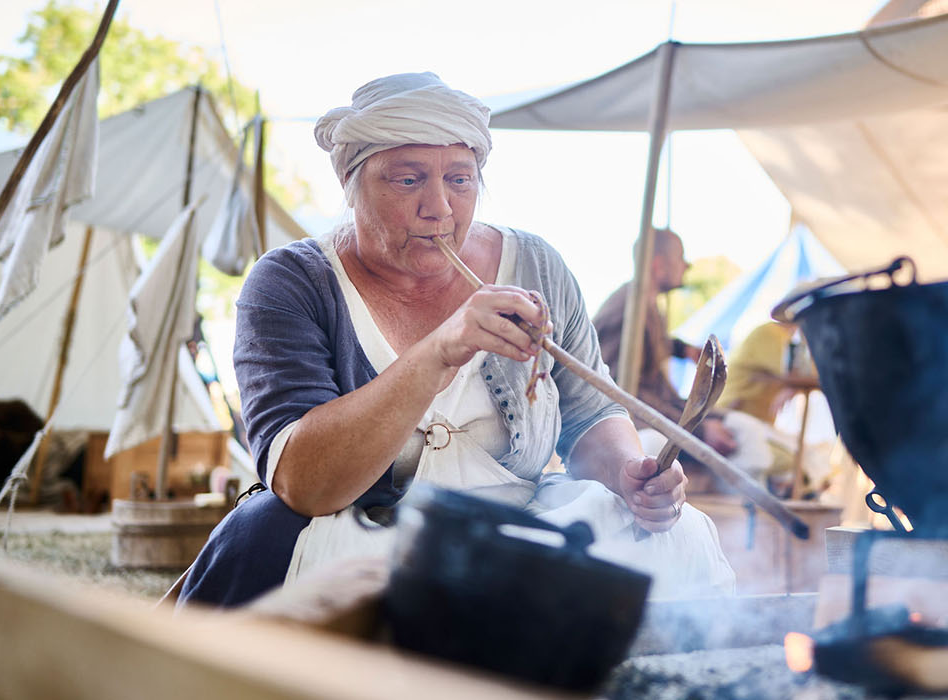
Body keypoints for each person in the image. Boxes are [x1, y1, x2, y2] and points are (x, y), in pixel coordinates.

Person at [177, 73, 733, 607]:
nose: (439, 207)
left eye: (460, 179)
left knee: (672, 536)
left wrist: (629, 473)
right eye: (408, 178)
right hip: (367, 530)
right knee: (274, 537)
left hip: (526, 523)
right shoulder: (291, 283)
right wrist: (440, 350)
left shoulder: (536, 265)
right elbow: (304, 484)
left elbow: (590, 414)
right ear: (351, 183)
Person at [592, 229, 738, 460]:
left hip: (659, 413)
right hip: (631, 431)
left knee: (738, 425)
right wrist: (699, 430)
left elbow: (653, 345)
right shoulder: (626, 312)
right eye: (680, 258)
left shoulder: (645, 305)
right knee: (655, 447)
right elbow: (623, 394)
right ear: (659, 265)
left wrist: (683, 349)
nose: (687, 266)